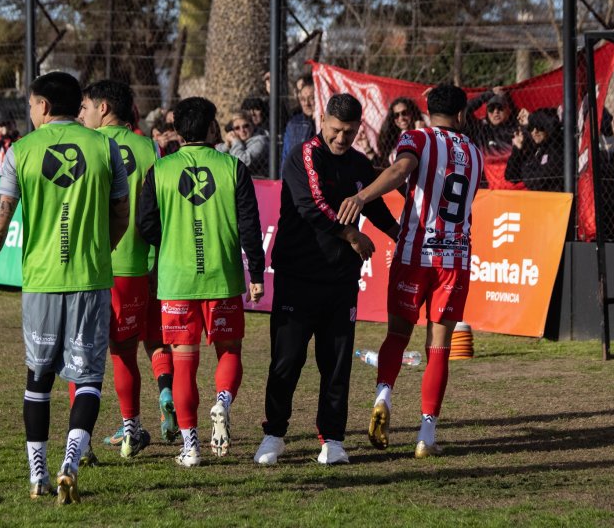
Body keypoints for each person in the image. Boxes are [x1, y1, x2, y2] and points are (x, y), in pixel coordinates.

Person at [0, 71, 130, 502]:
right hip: (90, 279)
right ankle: (70, 463)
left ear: (43, 106)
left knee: (38, 378)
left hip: (41, 282)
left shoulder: (21, 151)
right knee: (88, 378)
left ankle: (37, 474)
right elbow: (121, 213)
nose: (30, 111)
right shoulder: (105, 147)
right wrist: (101, 249)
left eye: (31, 104)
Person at [337, 84, 483, 458]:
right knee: (439, 347)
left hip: (414, 254)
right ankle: (426, 436)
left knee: (397, 334)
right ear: (462, 115)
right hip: (454, 259)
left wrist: (362, 196)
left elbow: (402, 170)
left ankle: (383, 396)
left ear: (427, 113)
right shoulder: (474, 151)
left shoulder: (417, 138)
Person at [254, 93, 400, 466]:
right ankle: (274, 435)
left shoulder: (359, 163)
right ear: (323, 121)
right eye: (336, 130)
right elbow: (313, 205)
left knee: (336, 364)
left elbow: (377, 207)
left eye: (349, 132)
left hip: (341, 279)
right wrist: (352, 235)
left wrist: (401, 237)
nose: (341, 138)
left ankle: (332, 440)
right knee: (287, 361)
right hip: (298, 275)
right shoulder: (303, 155)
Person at [137, 96, 266, 466]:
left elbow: (145, 225)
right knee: (229, 351)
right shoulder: (233, 167)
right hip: (222, 278)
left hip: (177, 281)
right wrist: (256, 273)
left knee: (183, 365)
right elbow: (250, 225)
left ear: (178, 130)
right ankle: (222, 402)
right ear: (211, 127)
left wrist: (172, 242)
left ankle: (190, 447)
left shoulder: (160, 170)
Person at [76, 79, 176, 458]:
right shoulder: (149, 147)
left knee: (82, 355)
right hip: (136, 264)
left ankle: (81, 441)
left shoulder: (88, 144)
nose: (81, 114)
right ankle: (131, 428)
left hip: (92, 264)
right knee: (125, 351)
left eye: (85, 107)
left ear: (103, 107)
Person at [504, 107, 564, 192]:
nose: (535, 131)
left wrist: (530, 117)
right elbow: (511, 176)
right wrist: (517, 149)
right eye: (531, 127)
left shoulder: (557, 144)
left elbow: (553, 125)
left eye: (539, 127)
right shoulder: (534, 151)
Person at [374, 97, 423, 169]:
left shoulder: (422, 131)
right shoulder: (392, 139)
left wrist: (419, 132)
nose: (401, 118)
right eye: (396, 115)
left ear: (412, 113)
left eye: (404, 113)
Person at [217, 110, 269, 175]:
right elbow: (215, 156)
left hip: (259, 179)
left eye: (246, 126)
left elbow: (241, 162)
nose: (242, 130)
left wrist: (236, 142)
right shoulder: (237, 140)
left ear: (252, 125)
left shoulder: (260, 141)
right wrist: (227, 145)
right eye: (237, 128)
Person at [280, 76, 316, 171]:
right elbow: (286, 156)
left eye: (312, 98)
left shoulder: (328, 124)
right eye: (303, 99)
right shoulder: (294, 124)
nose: (307, 104)